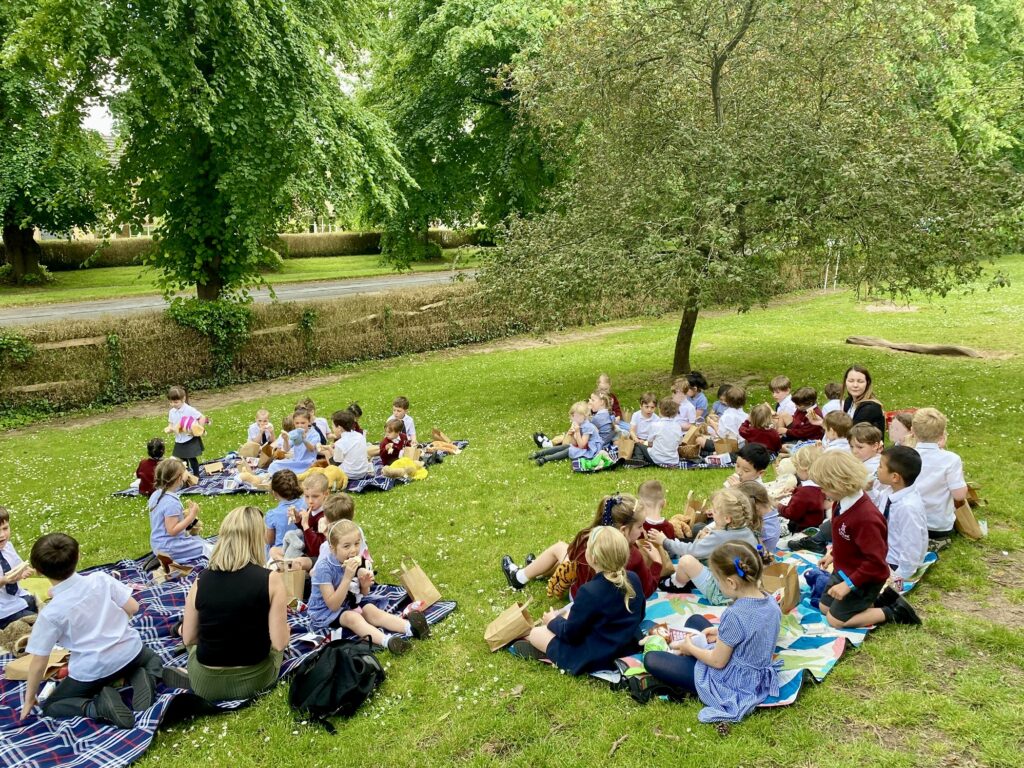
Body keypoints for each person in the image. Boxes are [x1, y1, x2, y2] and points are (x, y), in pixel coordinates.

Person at [19, 533, 166, 728]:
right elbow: (133, 607)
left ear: (38, 572)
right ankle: (147, 675)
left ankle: (96, 706)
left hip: (93, 670)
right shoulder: (100, 579)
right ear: (78, 555)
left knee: (52, 705)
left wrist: (30, 698)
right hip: (131, 652)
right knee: (151, 659)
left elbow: (39, 661)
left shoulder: (50, 614)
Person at [641, 541, 781, 723]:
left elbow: (718, 662)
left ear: (731, 583)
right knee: (694, 621)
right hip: (754, 671)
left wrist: (690, 648)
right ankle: (690, 650)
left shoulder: (735, 614)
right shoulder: (770, 601)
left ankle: (687, 663)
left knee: (652, 659)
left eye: (717, 580)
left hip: (733, 682)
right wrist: (719, 631)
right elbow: (755, 631)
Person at [167, 507, 290, 701]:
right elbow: (280, 642)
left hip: (205, 683)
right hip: (255, 678)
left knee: (190, 639)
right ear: (257, 538)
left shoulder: (201, 580)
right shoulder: (271, 579)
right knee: (277, 648)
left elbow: (189, 639)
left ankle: (186, 669)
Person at [511, 526, 645, 674]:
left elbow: (571, 634)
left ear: (593, 558)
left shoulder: (590, 591)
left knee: (536, 633)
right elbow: (640, 614)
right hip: (627, 645)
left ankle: (552, 654)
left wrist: (552, 621)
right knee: (566, 615)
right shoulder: (633, 578)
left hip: (597, 657)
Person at [811, 452, 920, 628]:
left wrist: (847, 586)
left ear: (840, 484)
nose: (822, 491)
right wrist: (833, 554)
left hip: (865, 578)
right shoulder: (840, 502)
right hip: (845, 570)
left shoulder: (866, 518)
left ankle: (893, 611)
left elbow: (875, 563)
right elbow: (843, 538)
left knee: (835, 620)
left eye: (824, 486)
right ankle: (874, 602)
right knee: (824, 607)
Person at [501, 494, 662, 600]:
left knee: (559, 548)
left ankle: (521, 576)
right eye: (640, 526)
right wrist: (657, 564)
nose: (643, 531)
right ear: (623, 530)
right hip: (604, 605)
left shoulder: (587, 539)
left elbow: (571, 560)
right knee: (564, 557)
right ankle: (534, 571)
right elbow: (646, 591)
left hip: (579, 596)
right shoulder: (634, 556)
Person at [307, 520, 429, 654]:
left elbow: (363, 594)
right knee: (352, 618)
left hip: (348, 602)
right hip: (324, 612)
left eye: (357, 543)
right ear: (332, 548)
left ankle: (411, 628)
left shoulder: (354, 559)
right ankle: (388, 641)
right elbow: (333, 605)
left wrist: (364, 585)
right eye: (346, 546)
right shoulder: (324, 568)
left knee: (371, 609)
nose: (353, 550)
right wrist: (347, 577)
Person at [649, 489, 760, 597]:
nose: (712, 511)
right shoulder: (748, 531)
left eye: (715, 511)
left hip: (722, 592)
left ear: (727, 519)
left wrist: (664, 541)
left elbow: (691, 551)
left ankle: (676, 584)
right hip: (745, 587)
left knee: (686, 561)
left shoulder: (719, 536)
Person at [911, 408, 967, 539]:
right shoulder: (951, 459)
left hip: (909, 522)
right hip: (938, 526)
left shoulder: (904, 455)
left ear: (913, 431)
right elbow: (959, 495)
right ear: (942, 434)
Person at [878, 446, 928, 592]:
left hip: (894, 563)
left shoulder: (908, 507)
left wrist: (898, 578)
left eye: (880, 466)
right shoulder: (889, 491)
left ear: (895, 477)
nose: (877, 469)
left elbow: (912, 546)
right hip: (883, 551)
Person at [148, 459, 211, 564]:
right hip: (170, 547)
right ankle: (166, 559)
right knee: (207, 548)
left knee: (198, 540)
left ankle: (163, 557)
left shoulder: (156, 494)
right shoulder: (171, 503)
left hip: (158, 543)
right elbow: (172, 530)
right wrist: (191, 516)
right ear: (179, 478)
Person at [278, 473, 330, 569]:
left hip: (318, 558)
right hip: (306, 551)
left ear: (325, 494)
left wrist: (305, 525)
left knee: (299, 562)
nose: (310, 501)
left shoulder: (326, 517)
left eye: (315, 496)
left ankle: (286, 566)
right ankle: (284, 563)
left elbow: (316, 549)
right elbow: (306, 533)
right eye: (306, 496)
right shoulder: (312, 510)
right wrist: (298, 520)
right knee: (273, 550)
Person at [0, 506, 38, 631]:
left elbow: (18, 567)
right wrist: (4, 580)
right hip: (3, 610)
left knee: (37, 603)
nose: (2, 535)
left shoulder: (8, 547)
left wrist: (24, 572)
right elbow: (6, 579)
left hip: (17, 596)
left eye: (5, 528)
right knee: (40, 623)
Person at [531, 401, 601, 466]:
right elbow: (573, 443)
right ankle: (539, 453)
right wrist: (571, 434)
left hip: (591, 450)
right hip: (583, 446)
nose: (574, 418)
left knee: (569, 450)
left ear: (584, 416)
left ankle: (545, 459)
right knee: (566, 447)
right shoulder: (579, 423)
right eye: (573, 416)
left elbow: (581, 445)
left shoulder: (588, 427)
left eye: (576, 416)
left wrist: (577, 432)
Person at [778, 444, 826, 533]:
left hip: (803, 529)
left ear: (805, 470)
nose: (796, 471)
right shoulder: (821, 484)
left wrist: (778, 506)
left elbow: (791, 514)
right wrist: (795, 490)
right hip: (817, 524)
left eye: (797, 468)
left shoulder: (804, 492)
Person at [266, 408, 322, 476]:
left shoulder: (314, 434)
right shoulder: (294, 433)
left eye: (303, 423)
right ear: (294, 423)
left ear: (309, 422)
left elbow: (311, 449)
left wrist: (304, 440)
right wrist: (285, 440)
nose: (300, 425)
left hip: (308, 463)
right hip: (295, 462)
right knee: (274, 465)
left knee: (307, 473)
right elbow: (286, 449)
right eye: (297, 423)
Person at [263, 470, 305, 557]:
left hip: (282, 552)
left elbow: (269, 540)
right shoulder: (306, 504)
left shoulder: (272, 515)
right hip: (305, 550)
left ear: (274, 493)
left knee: (266, 546)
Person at [167, 385, 205, 476]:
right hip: (179, 439)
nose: (173, 404)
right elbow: (171, 423)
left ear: (183, 399)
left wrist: (199, 429)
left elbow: (202, 417)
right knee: (182, 459)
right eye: (171, 402)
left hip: (189, 438)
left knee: (192, 458)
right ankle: (185, 475)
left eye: (175, 402)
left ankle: (196, 476)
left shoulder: (189, 410)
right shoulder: (172, 411)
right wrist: (169, 428)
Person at [634, 398, 683, 467]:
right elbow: (680, 442)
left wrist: (643, 442)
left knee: (638, 445)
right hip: (673, 460)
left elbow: (650, 441)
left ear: (659, 410)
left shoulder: (655, 425)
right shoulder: (678, 426)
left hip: (657, 459)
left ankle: (638, 461)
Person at [840, 365, 885, 433]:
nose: (855, 385)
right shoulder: (849, 401)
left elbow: (852, 433)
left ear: (867, 383)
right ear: (845, 382)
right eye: (851, 381)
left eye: (860, 381)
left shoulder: (870, 408)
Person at [329, 409, 372, 481]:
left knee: (330, 464)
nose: (332, 429)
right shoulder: (360, 436)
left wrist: (330, 449)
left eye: (333, 426)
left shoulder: (340, 443)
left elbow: (337, 460)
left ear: (339, 428)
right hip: (363, 472)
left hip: (349, 474)